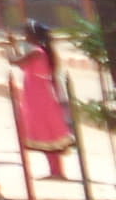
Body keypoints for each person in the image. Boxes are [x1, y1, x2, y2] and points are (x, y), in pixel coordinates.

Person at [14, 20, 77, 180]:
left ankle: (56, 170)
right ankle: (55, 170)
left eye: (26, 33)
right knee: (47, 131)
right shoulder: (42, 52)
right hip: (38, 92)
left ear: (33, 35)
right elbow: (22, 64)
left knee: (46, 129)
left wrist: (11, 47)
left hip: (38, 95)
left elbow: (16, 62)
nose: (25, 36)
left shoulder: (36, 52)